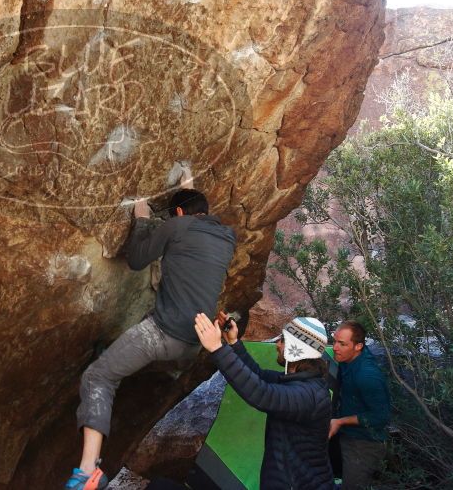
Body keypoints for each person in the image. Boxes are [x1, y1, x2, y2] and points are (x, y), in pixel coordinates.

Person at [65, 189, 236, 490]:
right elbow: (192, 216)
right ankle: (116, 353)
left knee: (98, 376)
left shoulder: (177, 225)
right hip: (195, 342)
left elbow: (137, 260)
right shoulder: (226, 237)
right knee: (133, 345)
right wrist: (187, 186)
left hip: (164, 333)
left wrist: (142, 220)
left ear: (179, 214)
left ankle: (87, 472)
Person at [195, 312, 335, 490]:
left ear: (295, 347)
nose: (277, 345)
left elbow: (262, 394)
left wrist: (217, 349)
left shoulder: (308, 395)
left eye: (283, 340)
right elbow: (259, 376)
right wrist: (233, 343)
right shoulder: (301, 382)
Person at [329, 321, 390, 490]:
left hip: (363, 444)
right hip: (346, 435)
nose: (335, 348)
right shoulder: (347, 358)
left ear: (358, 346)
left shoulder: (366, 376)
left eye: (342, 344)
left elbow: (380, 417)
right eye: (334, 341)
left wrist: (340, 421)